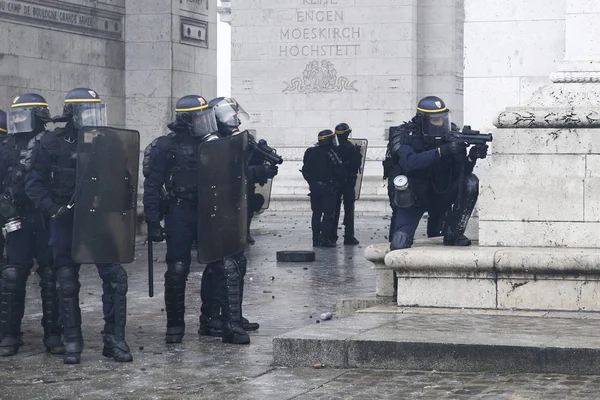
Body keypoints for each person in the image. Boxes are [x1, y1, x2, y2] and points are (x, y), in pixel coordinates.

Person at [25, 88, 133, 364]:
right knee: (66, 282)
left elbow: (123, 179)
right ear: (72, 114)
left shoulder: (108, 141)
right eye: (88, 112)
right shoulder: (50, 142)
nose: (94, 117)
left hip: (98, 220)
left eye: (96, 111)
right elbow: (34, 184)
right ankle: (72, 341)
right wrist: (52, 208)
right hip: (65, 220)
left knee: (116, 278)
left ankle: (115, 340)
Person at [144, 95, 251, 345]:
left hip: (210, 212)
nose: (206, 122)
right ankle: (175, 326)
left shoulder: (216, 144)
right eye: (200, 117)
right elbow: (152, 184)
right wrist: (151, 221)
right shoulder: (165, 147)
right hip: (180, 212)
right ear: (186, 120)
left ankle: (229, 324)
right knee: (177, 270)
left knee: (225, 266)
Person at [0, 94, 63, 356]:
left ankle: (53, 334)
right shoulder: (6, 147)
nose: (17, 120)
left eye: (23, 114)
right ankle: (10, 335)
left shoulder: (52, 144)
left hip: (46, 218)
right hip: (19, 218)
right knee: (13, 276)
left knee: (52, 276)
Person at [195, 96, 262, 340]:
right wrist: (253, 170)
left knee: (235, 264)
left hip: (233, 209)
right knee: (222, 266)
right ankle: (213, 318)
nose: (231, 119)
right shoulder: (210, 142)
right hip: (215, 212)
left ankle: (231, 315)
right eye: (225, 115)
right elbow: (223, 174)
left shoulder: (231, 140)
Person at [387, 96, 488, 250]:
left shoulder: (451, 134)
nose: (441, 123)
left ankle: (454, 231)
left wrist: (471, 157)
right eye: (435, 120)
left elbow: (460, 173)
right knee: (400, 242)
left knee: (470, 182)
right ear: (422, 119)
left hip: (440, 193)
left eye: (442, 118)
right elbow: (408, 162)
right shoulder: (406, 134)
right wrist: (440, 152)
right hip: (414, 197)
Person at [301, 129, 346, 248]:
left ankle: (315, 238)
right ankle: (324, 238)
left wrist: (312, 182)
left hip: (314, 187)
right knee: (328, 214)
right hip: (328, 187)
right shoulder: (331, 152)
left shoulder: (310, 152)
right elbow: (340, 170)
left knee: (316, 213)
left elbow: (305, 170)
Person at [330, 123, 361, 245]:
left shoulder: (332, 148)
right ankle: (349, 236)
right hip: (348, 182)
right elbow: (355, 165)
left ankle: (332, 235)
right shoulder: (350, 147)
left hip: (336, 182)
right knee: (349, 210)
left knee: (334, 209)